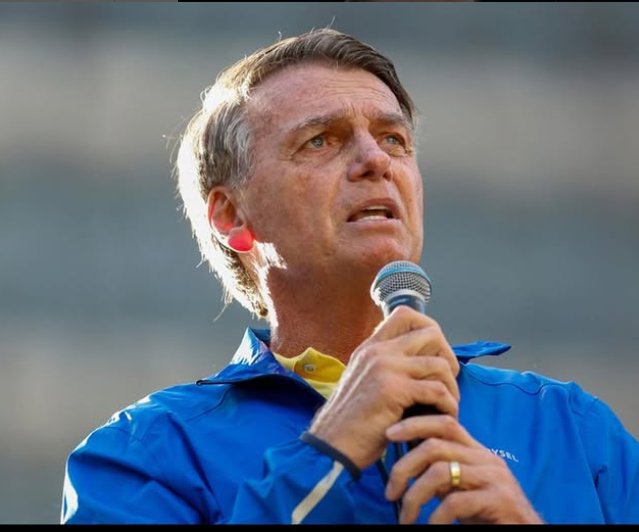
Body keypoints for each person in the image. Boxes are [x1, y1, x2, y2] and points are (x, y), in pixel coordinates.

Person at [61, 28, 639, 525]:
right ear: (232, 216)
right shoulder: (143, 456)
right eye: (321, 140)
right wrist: (329, 453)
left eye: (393, 139)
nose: (376, 160)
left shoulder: (573, 429)